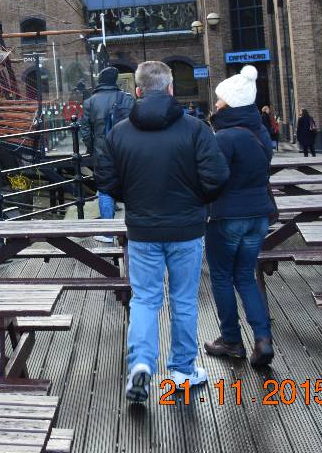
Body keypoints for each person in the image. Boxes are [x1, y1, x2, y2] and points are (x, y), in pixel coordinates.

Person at [96, 61, 230, 403]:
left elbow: (106, 180)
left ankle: (141, 362)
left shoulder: (119, 133)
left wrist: (134, 199)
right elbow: (217, 176)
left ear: (137, 91)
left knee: (144, 299)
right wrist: (195, 202)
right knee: (183, 300)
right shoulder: (196, 129)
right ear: (171, 88)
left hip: (142, 229)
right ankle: (182, 371)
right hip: (186, 228)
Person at [203, 66, 276, 368]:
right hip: (259, 214)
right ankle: (263, 338)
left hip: (227, 216)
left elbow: (212, 177)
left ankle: (231, 339)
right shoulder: (261, 133)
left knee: (221, 276)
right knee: (245, 276)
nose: (215, 103)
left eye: (219, 98)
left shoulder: (224, 137)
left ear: (230, 103)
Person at [80, 67, 136, 242]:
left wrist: (91, 149)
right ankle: (134, 229)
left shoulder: (90, 102)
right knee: (132, 186)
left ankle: (108, 233)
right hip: (127, 151)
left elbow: (85, 130)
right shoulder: (128, 99)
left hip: (103, 152)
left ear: (100, 81)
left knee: (104, 189)